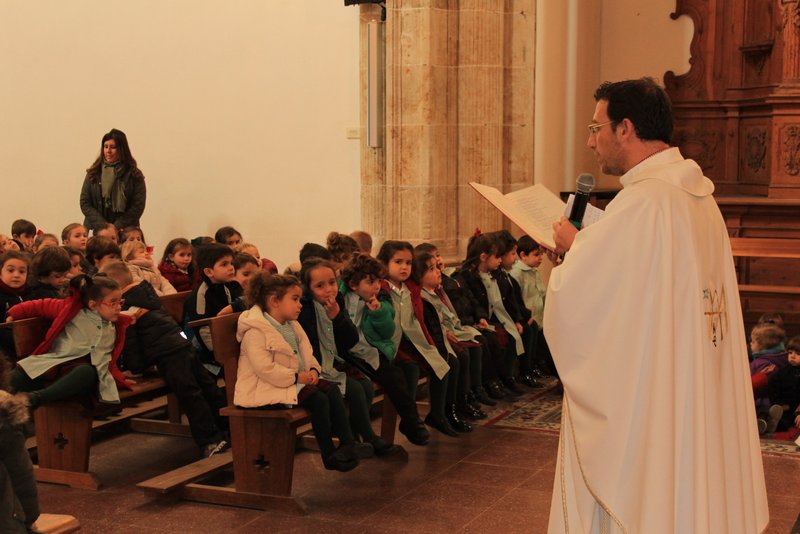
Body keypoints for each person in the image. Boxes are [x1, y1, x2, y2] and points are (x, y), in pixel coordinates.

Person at [545, 78, 768, 533]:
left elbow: (593, 299)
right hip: (687, 380)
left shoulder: (648, 201)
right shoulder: (693, 195)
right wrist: (588, 245)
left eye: (596, 127)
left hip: (655, 395)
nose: (591, 141)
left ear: (625, 128)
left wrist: (576, 249)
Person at [99, 261, 229, 458]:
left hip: (168, 355)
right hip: (182, 345)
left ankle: (210, 440)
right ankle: (229, 429)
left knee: (190, 395)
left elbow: (132, 342)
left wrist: (137, 368)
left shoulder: (128, 308)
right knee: (207, 389)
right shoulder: (145, 293)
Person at [235, 272, 359, 472]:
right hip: (266, 387)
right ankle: (328, 454)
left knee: (333, 390)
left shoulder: (292, 324)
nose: (300, 304)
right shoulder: (255, 331)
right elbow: (265, 369)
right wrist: (295, 377)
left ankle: (347, 444)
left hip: (296, 381)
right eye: (294, 299)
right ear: (274, 301)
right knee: (318, 400)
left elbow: (307, 351)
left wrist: (312, 369)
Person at [340, 252, 430, 445]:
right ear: (353, 285)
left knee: (396, 374)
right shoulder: (341, 297)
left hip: (370, 350)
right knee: (386, 377)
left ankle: (411, 421)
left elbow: (387, 332)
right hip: (347, 353)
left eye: (378, 281)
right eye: (370, 282)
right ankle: (358, 435)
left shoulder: (381, 299)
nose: (376, 286)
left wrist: (378, 313)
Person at [7, 275, 133, 408]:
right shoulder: (71, 310)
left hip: (83, 371)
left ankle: (36, 398)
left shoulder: (116, 325)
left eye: (121, 302)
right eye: (113, 302)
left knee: (86, 373)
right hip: (57, 361)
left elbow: (109, 360)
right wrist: (14, 313)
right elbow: (41, 305)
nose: (119, 307)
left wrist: (120, 379)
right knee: (23, 370)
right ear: (93, 305)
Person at [80, 128, 146, 229]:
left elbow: (137, 206)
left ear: (122, 149)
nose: (108, 151)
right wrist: (104, 226)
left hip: (126, 230)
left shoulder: (134, 174)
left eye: (113, 147)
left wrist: (116, 226)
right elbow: (85, 202)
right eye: (105, 147)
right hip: (97, 229)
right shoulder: (94, 172)